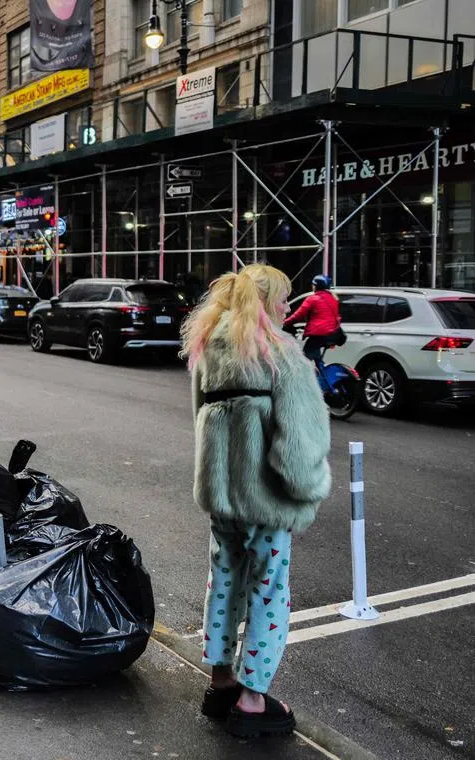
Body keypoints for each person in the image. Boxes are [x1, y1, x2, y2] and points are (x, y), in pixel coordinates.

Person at [180, 264, 330, 739]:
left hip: (221, 494)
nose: (290, 307)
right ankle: (252, 698)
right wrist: (304, 496)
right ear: (268, 303)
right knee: (269, 590)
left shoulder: (209, 349)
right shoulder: (281, 355)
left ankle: (221, 682)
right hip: (264, 498)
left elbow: (199, 418)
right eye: (285, 299)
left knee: (224, 580)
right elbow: (300, 446)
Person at [283, 274, 341, 369]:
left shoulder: (312, 299)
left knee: (304, 361)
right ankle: (321, 376)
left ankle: (308, 380)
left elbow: (298, 315)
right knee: (316, 357)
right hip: (332, 334)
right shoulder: (333, 298)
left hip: (319, 335)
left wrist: (285, 322)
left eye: (313, 284)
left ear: (317, 286)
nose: (312, 286)